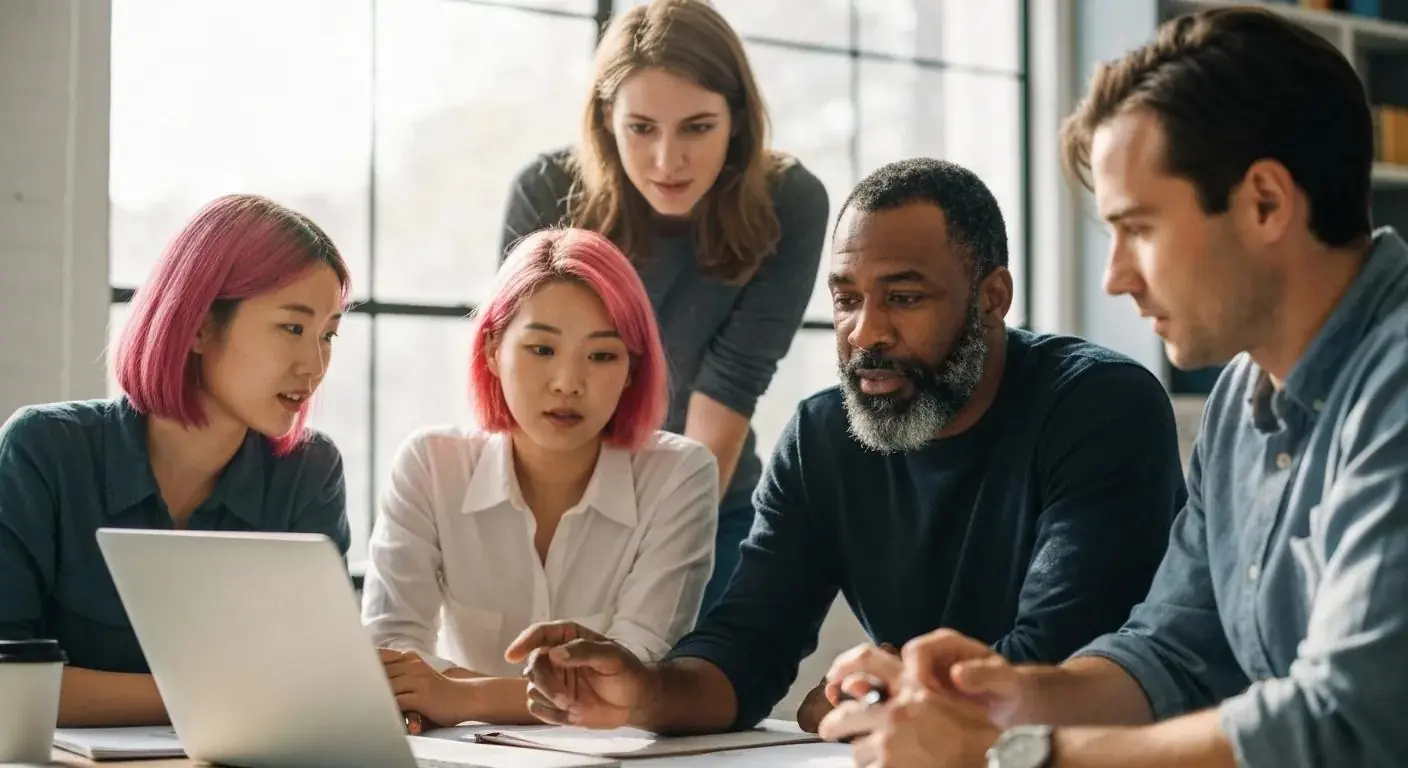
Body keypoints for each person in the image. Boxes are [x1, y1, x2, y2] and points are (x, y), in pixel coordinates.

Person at [818, 8, 1408, 768]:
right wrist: (999, 694)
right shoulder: (1239, 401)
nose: (1115, 277)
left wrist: (1018, 754)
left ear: (1266, 203)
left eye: (1140, 229)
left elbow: (1349, 721)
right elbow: (1174, 651)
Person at [503, 158, 1187, 737]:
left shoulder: (1101, 407)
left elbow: (1055, 665)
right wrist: (645, 693)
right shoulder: (823, 436)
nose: (866, 333)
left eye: (904, 297)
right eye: (846, 299)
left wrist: (884, 696)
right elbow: (747, 645)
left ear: (992, 298)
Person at [500, 0, 829, 614]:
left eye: (698, 127)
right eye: (641, 128)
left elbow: (730, 388)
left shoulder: (791, 202)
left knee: (679, 692)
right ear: (606, 118)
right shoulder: (547, 191)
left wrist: (656, 558)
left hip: (702, 496)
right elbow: (523, 373)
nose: (667, 160)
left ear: (737, 121)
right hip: (556, 499)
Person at [0, 195, 352, 727]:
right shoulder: (44, 451)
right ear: (199, 327)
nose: (316, 363)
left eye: (328, 334)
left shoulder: (309, 472)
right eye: (292, 328)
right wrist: (226, 698)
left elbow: (317, 687)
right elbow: (9, 687)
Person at [362, 228, 719, 730]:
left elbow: (631, 682)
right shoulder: (430, 464)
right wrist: (443, 694)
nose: (568, 383)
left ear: (632, 371)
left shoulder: (680, 476)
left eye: (601, 355)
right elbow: (390, 656)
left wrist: (460, 698)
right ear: (491, 350)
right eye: (541, 349)